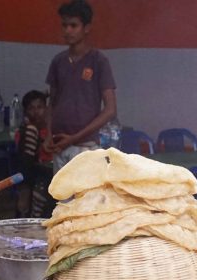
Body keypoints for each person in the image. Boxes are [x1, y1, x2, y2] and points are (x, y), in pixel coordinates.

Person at [45, 0, 117, 171]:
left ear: (86, 28)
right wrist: (48, 135)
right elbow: (51, 104)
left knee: (84, 197)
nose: (68, 30)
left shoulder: (98, 61)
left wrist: (74, 138)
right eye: (64, 25)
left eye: (73, 25)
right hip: (58, 146)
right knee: (61, 197)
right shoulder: (58, 61)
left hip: (86, 147)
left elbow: (110, 110)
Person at [15, 90, 54, 218]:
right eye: (31, 108)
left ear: (46, 109)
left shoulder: (53, 130)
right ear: (26, 112)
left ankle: (25, 197)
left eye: (40, 107)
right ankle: (25, 192)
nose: (36, 112)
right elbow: (25, 159)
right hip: (34, 173)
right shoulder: (25, 132)